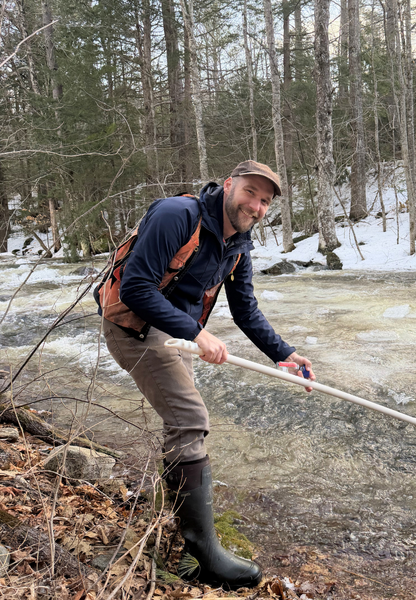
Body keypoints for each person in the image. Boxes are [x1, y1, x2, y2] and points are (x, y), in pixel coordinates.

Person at [95, 161, 315, 589]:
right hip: (133, 324)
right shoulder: (177, 216)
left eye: (265, 201)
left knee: (182, 427)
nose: (256, 205)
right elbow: (135, 288)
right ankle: (204, 555)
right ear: (229, 185)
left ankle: (178, 524)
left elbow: (245, 307)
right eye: (251, 192)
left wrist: (283, 354)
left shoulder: (240, 242)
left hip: (176, 330)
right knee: (190, 420)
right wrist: (198, 332)